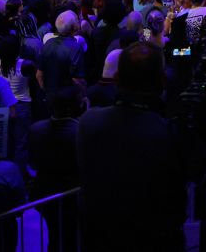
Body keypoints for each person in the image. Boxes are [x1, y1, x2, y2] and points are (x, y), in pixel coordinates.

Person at [76, 42, 186, 251]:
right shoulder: (169, 133)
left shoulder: (88, 123)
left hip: (100, 240)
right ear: (162, 81)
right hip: (156, 241)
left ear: (116, 79)